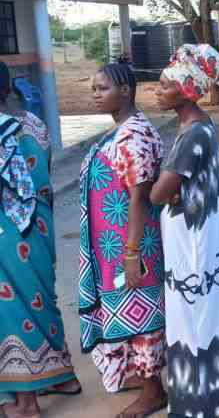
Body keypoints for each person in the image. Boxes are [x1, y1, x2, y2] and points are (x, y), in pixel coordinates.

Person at [151, 44, 219, 416]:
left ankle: (201, 398)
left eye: (165, 85)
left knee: (193, 313)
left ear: (186, 89)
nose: (156, 89)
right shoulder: (199, 124)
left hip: (193, 239)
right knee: (212, 310)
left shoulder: (193, 134)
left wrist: (159, 185)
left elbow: (158, 193)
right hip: (202, 231)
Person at [79, 64, 167, 417]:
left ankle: (153, 391)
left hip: (133, 244)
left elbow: (139, 198)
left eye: (103, 88)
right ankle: (139, 375)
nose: (95, 94)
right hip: (113, 245)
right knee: (128, 311)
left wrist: (131, 254)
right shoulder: (122, 131)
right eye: (94, 88)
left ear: (126, 90)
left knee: (143, 313)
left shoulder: (134, 136)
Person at [0, 62, 81, 418]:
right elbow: (40, 174)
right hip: (41, 227)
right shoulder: (34, 124)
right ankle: (62, 377)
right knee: (40, 299)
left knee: (13, 309)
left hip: (7, 231)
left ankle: (26, 402)